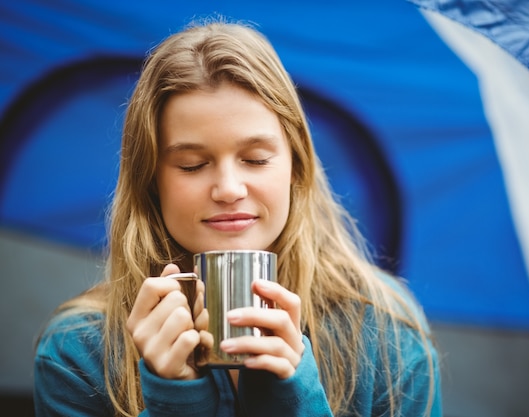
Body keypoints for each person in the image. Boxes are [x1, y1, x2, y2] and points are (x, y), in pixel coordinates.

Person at [34, 20, 442, 417]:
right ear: (150, 181)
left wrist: (295, 401)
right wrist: (175, 402)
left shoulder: (385, 327)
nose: (229, 189)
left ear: (296, 167)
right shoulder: (76, 353)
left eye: (255, 159)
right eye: (192, 165)